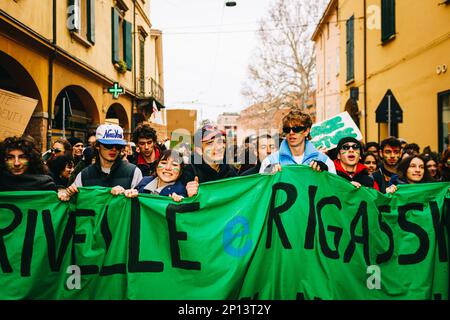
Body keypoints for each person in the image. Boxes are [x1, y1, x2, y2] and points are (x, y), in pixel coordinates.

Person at [58, 124, 143, 201]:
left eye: (117, 146)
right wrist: (69, 194)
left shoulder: (134, 172)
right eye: (108, 145)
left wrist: (131, 196)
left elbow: (142, 204)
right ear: (98, 146)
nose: (113, 149)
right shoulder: (84, 175)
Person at [259, 110, 336, 174]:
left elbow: (334, 189)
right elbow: (261, 188)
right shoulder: (270, 161)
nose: (291, 133)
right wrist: (268, 172)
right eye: (287, 129)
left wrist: (326, 172)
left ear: (306, 131)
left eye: (296, 129)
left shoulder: (324, 160)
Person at [180, 124, 238, 197]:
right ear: (199, 150)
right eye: (210, 143)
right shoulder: (188, 172)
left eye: (221, 141)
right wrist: (188, 196)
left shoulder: (231, 171)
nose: (219, 147)